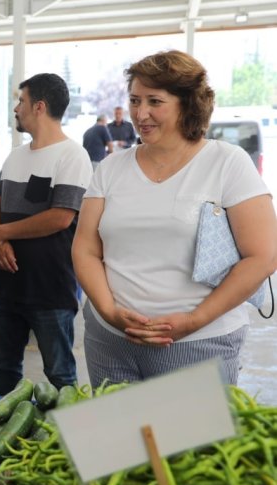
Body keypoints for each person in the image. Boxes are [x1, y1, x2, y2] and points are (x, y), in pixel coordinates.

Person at [72, 50, 277, 387]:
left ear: (188, 104)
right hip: (111, 341)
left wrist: (194, 320)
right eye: (135, 100)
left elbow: (262, 257)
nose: (141, 113)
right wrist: (110, 312)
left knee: (190, 425)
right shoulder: (110, 169)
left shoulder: (227, 162)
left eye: (155, 101)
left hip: (199, 343)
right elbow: (85, 249)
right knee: (119, 424)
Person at [0, 73, 93, 395]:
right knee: (5, 371)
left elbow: (60, 217)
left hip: (49, 291)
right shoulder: (16, 155)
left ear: (39, 107)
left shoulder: (72, 155)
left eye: (22, 101)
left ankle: (64, 428)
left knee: (60, 375)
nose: (17, 109)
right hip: (5, 290)